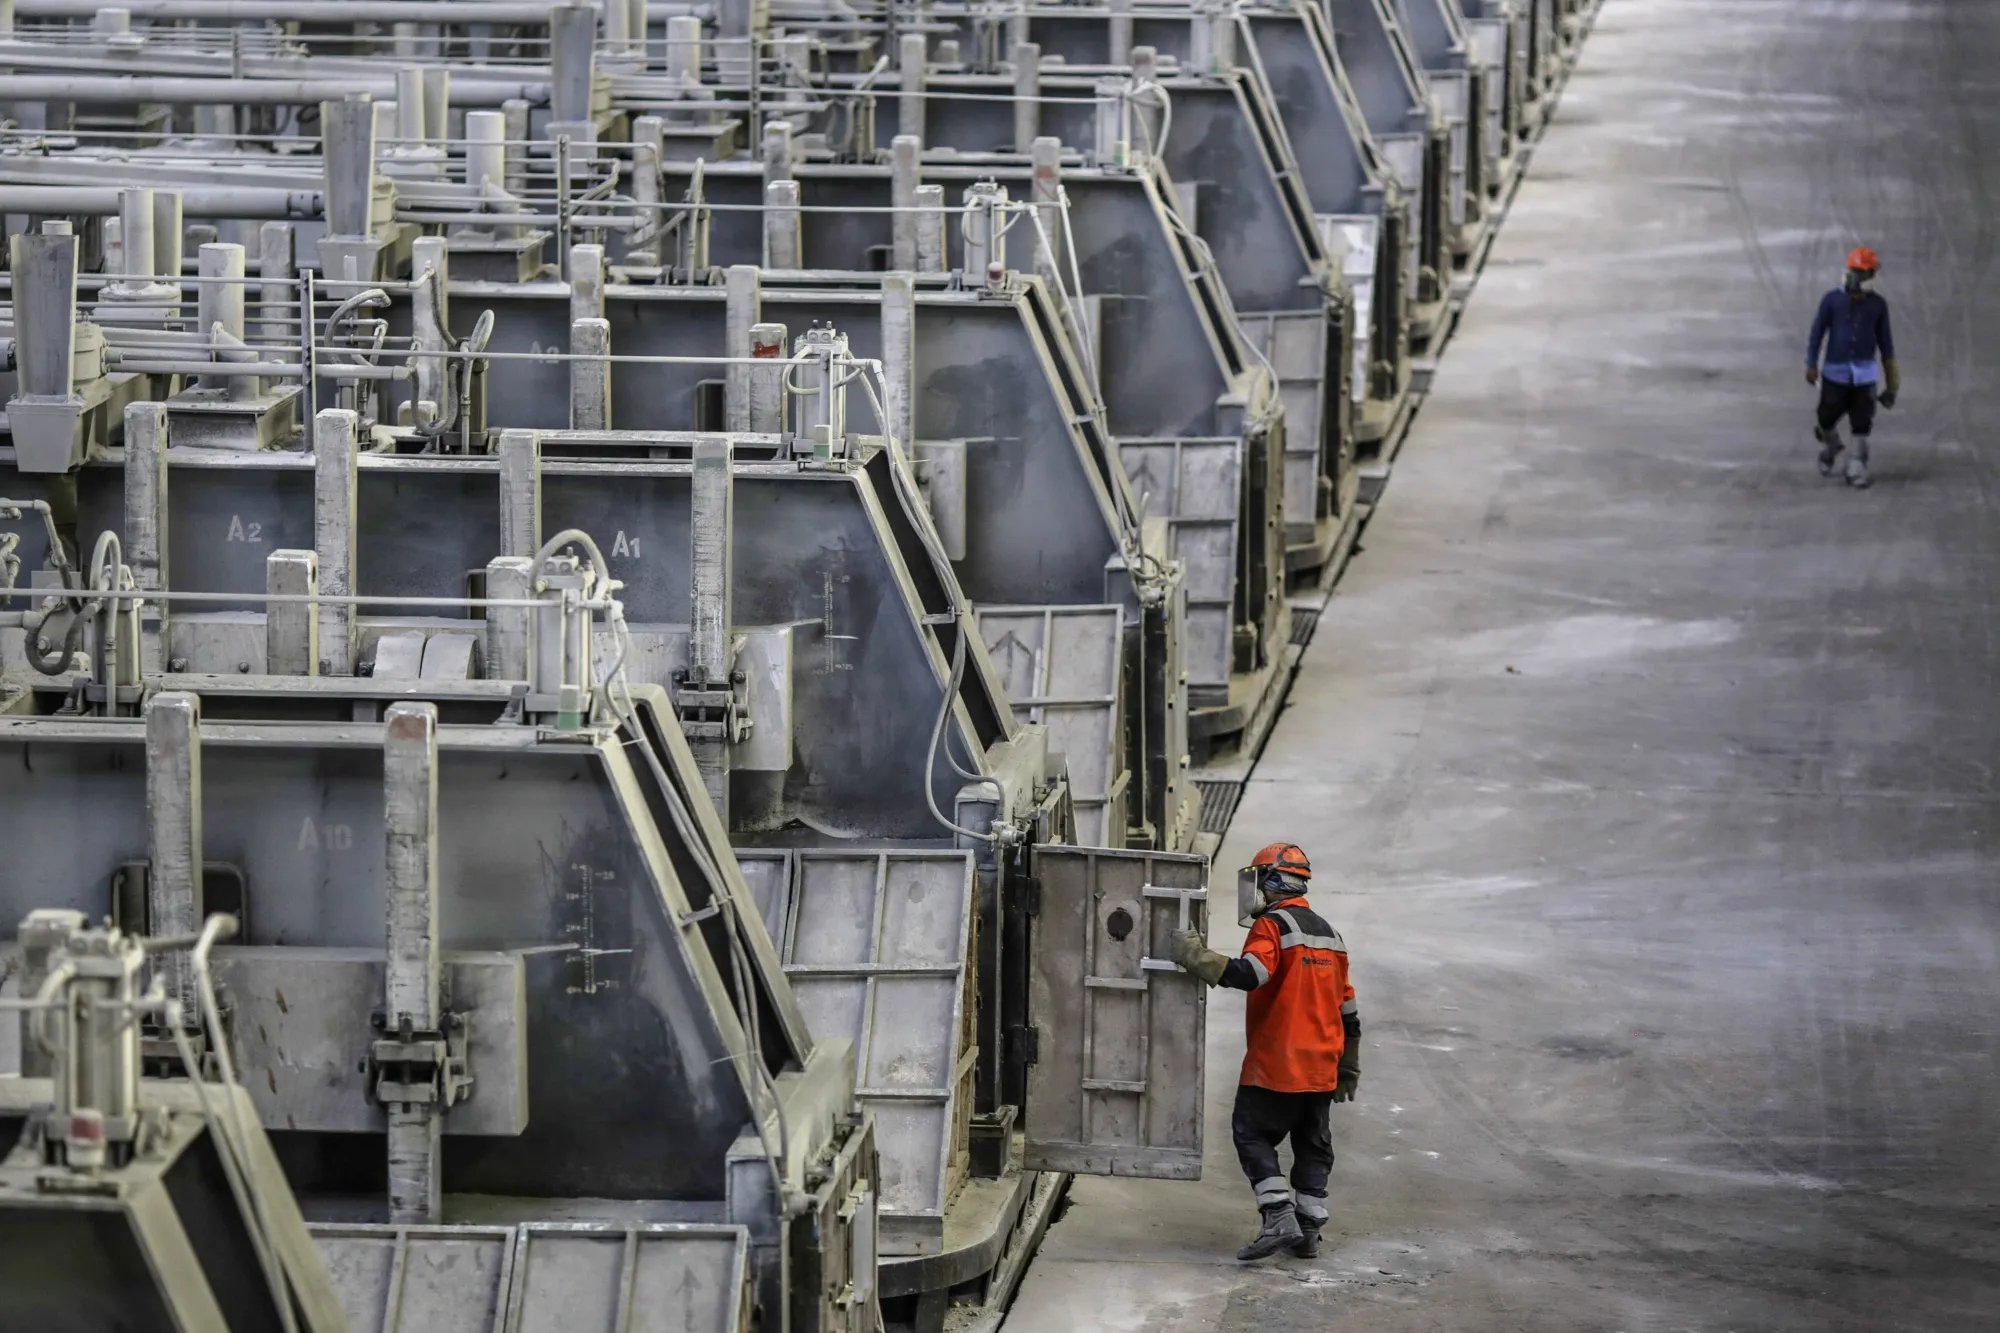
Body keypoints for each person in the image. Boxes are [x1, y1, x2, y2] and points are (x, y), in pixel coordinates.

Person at [1171, 842, 1358, 1262]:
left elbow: (1252, 974)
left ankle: (1277, 1216)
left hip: (1279, 1061)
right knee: (1313, 1143)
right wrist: (1349, 1063)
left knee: (1251, 1131)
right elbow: (1347, 1003)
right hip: (1322, 1065)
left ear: (1269, 881)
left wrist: (1194, 956)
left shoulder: (1273, 924)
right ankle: (1308, 1228)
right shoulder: (1331, 934)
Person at [1806, 247, 1899, 489]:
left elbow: (1886, 344)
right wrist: (1811, 363)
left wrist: (1892, 384)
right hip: (1835, 372)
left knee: (1862, 419)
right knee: (1825, 416)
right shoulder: (1832, 301)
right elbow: (1817, 333)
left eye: (1867, 273)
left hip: (1864, 375)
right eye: (1859, 272)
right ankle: (1832, 444)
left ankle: (1857, 464)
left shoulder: (1878, 306)